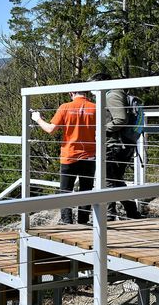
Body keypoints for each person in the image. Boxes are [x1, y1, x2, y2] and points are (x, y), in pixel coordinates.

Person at [32, 90, 97, 225]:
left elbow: (50, 129)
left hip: (69, 155)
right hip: (89, 156)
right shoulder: (95, 107)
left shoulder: (65, 107)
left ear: (71, 92)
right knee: (86, 191)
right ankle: (83, 223)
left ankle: (67, 223)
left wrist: (37, 118)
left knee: (65, 191)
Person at [90, 72, 142, 220]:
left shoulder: (112, 95)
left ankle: (109, 217)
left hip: (115, 145)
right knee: (116, 180)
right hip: (121, 144)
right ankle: (132, 212)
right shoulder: (116, 94)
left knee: (107, 180)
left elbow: (120, 119)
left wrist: (101, 128)